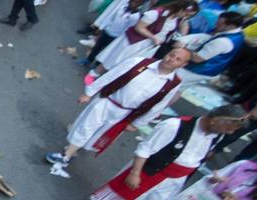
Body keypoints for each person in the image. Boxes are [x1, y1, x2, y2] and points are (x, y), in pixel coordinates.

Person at [86, 107, 248, 200]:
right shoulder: (175, 125)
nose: (230, 133)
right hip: (154, 170)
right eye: (229, 128)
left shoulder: (216, 135)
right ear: (218, 120)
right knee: (122, 193)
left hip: (176, 179)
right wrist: (135, 173)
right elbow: (145, 149)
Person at [45, 47, 193, 176]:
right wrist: (89, 93)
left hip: (125, 114)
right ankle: (66, 155)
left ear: (183, 65)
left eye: (178, 59)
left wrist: (137, 123)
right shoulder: (139, 62)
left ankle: (73, 151)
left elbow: (158, 105)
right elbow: (111, 75)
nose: (171, 59)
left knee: (99, 136)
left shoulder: (172, 83)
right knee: (86, 126)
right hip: (108, 100)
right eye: (171, 54)